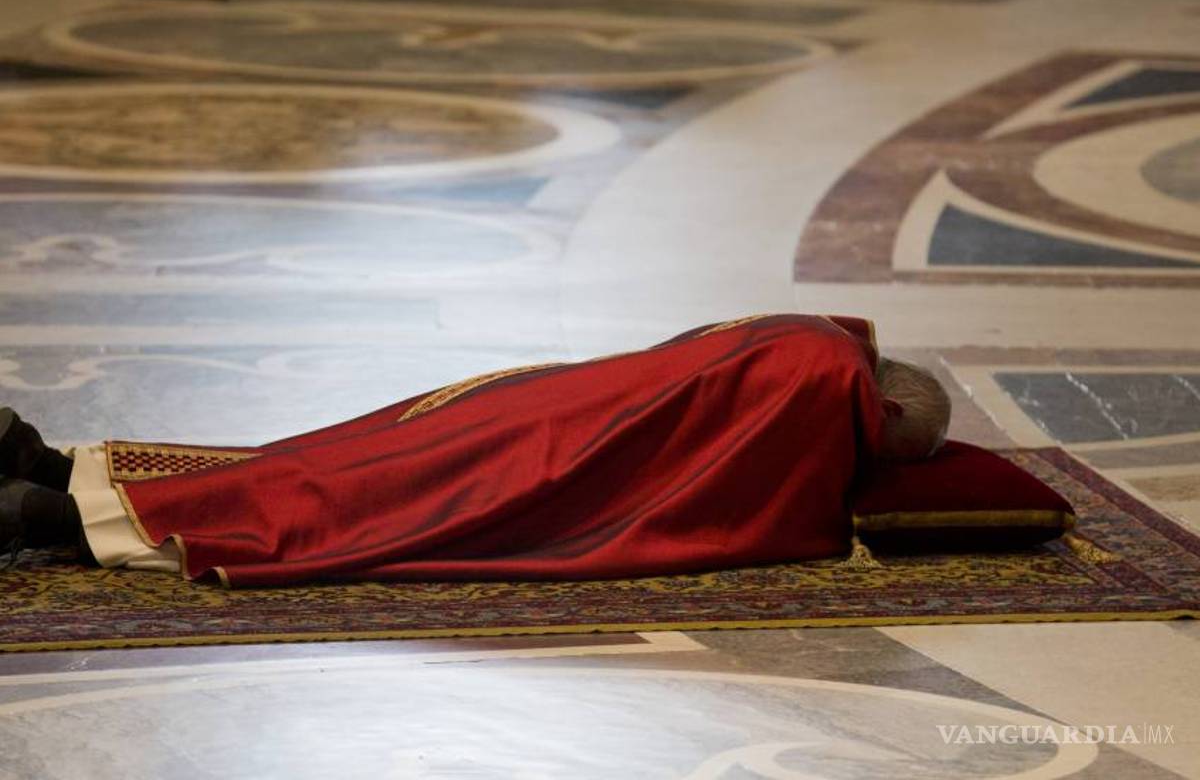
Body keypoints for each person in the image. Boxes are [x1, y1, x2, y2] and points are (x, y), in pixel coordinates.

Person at [0, 314, 950, 586]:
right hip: (569, 452)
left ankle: (56, 474)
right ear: (887, 407)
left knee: (345, 457)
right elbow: (760, 509)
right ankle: (57, 510)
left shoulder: (811, 334)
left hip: (553, 396)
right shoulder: (829, 392)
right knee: (369, 502)